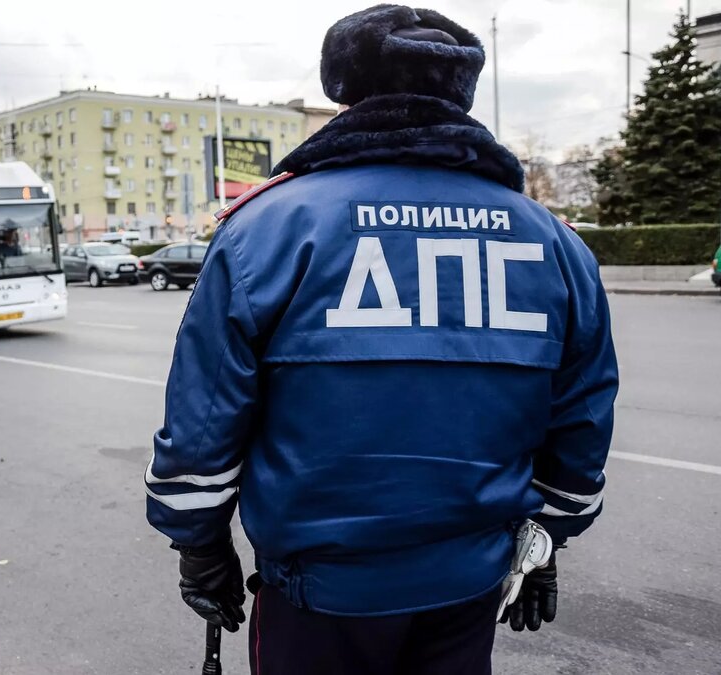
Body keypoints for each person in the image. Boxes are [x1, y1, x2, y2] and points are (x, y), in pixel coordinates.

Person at [144, 5, 618, 674]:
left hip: (318, 599)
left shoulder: (267, 228)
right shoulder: (553, 242)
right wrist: (546, 538)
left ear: (345, 90)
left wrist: (199, 544)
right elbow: (583, 418)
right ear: (462, 93)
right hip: (467, 590)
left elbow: (203, 422)